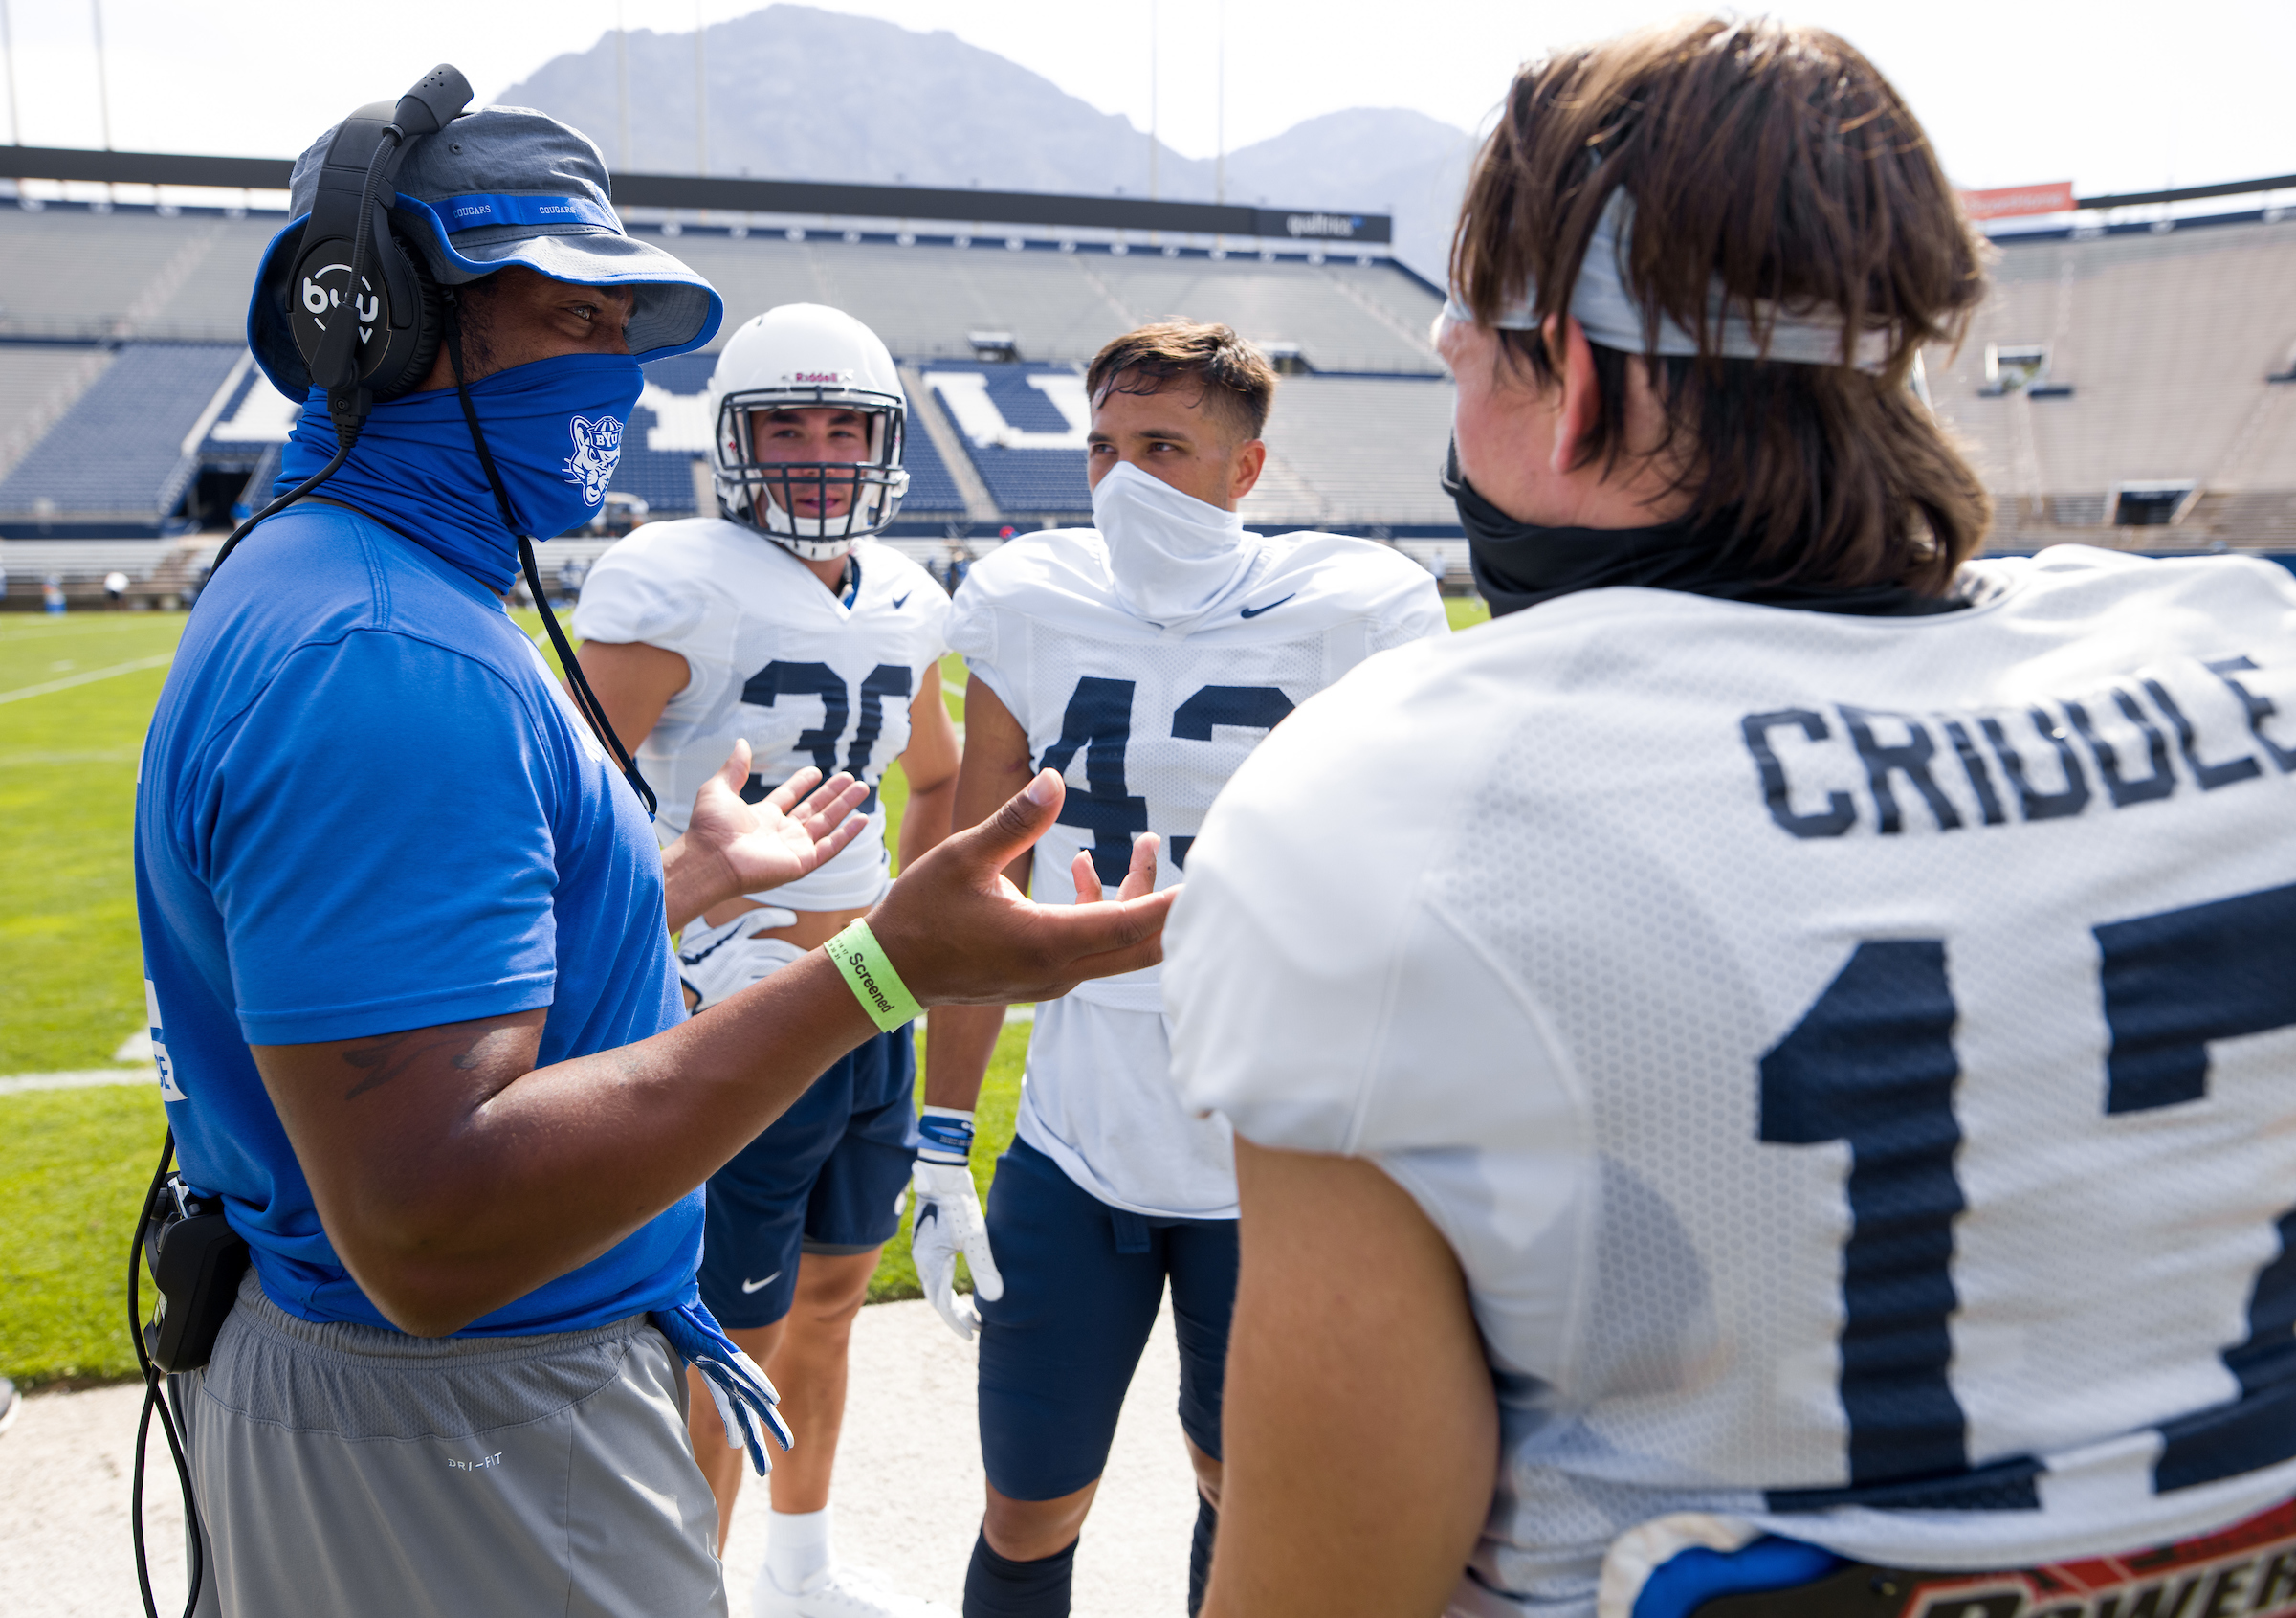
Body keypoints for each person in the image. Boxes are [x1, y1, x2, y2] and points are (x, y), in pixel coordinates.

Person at [1166, 16, 2296, 1618]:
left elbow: (1332, 1595)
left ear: (1573, 385)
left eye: (1468, 355)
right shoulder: (2255, 647)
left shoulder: (1386, 807)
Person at [135, 102, 1171, 1618]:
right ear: (377, 320)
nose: (614, 375)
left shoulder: (338, 576)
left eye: (626, 329)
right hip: (460, 1414)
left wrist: (682, 884)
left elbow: (460, 981)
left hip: (405, 1398)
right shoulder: (385, 651)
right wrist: (891, 964)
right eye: (569, 317)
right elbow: (434, 1225)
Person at [929, 321, 1447, 1618]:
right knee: (1027, 1504)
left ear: (1245, 469)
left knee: (1245, 1490)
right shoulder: (1032, 602)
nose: (1124, 480)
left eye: (1164, 448)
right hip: (1075, 1135)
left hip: (1265, 1157)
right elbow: (970, 898)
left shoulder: (1358, 613)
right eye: (1103, 449)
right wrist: (942, 1136)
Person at [573, 301, 960, 1618]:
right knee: (729, 1330)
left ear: (883, 442)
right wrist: (672, 954)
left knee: (839, 1294)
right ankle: (689, 1592)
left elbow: (943, 779)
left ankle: (799, 1569)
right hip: (732, 1007)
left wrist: (902, 924)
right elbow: (565, 809)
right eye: (783, 424)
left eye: (842, 425)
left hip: (867, 1004)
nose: (814, 452)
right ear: (731, 441)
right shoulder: (670, 576)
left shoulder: (910, 593)